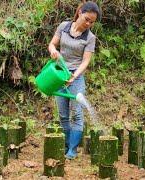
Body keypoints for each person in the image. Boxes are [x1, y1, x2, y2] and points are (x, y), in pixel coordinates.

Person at [47, 1, 101, 159]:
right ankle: (66, 145)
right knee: (63, 114)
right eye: (86, 19)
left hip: (76, 76)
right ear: (79, 13)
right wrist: (53, 51)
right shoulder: (63, 26)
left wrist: (74, 76)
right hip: (59, 74)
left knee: (76, 114)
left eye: (92, 22)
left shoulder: (90, 38)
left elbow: (85, 61)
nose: (88, 24)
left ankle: (73, 149)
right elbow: (52, 44)